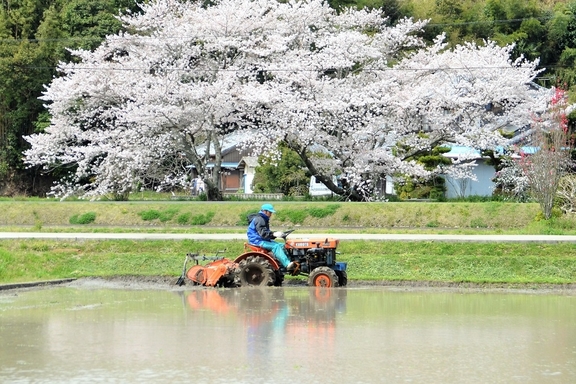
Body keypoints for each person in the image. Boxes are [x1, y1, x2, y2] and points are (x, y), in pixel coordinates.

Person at [247, 203, 296, 272]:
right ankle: (287, 264)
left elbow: (266, 233)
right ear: (265, 211)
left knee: (281, 245)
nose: (271, 214)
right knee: (276, 246)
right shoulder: (259, 219)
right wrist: (274, 234)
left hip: (260, 239)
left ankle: (284, 263)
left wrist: (275, 234)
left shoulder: (262, 219)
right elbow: (263, 234)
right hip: (257, 241)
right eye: (270, 212)